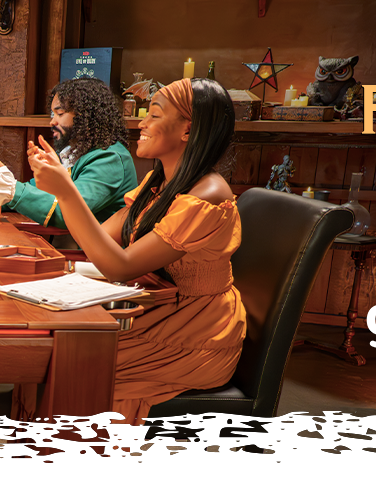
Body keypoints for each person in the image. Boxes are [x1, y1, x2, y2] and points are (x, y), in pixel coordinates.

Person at [25, 78, 246, 424]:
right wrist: (60, 185)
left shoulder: (208, 196)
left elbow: (121, 266)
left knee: (78, 363)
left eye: (154, 115)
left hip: (197, 332)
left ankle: (76, 452)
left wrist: (66, 192)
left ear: (188, 130)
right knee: (57, 349)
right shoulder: (157, 184)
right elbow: (100, 238)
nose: (140, 124)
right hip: (160, 309)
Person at [0, 77, 136, 230]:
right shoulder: (78, 150)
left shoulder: (109, 159)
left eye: (60, 113)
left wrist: (10, 189)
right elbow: (39, 190)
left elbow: (67, 212)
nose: (52, 121)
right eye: (53, 114)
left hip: (95, 255)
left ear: (86, 116)